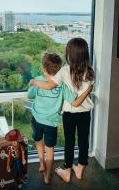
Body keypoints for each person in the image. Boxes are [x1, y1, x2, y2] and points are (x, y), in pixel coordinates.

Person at [30, 38, 94, 183]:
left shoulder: (65, 70)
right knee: (84, 140)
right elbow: (85, 93)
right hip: (85, 113)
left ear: (70, 53)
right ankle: (80, 170)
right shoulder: (90, 71)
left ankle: (66, 171)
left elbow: (49, 86)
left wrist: (34, 82)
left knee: (69, 142)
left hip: (70, 114)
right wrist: (88, 90)